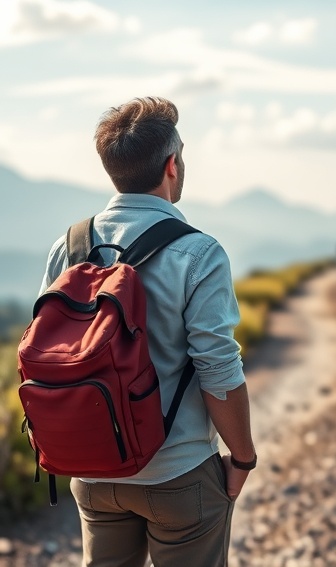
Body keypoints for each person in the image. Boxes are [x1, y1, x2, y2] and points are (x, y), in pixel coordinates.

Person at [38, 97, 255, 566]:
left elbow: (45, 351)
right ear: (171, 165)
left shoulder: (69, 248)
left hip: (93, 471)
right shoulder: (198, 254)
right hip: (177, 474)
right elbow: (218, 369)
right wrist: (243, 458)